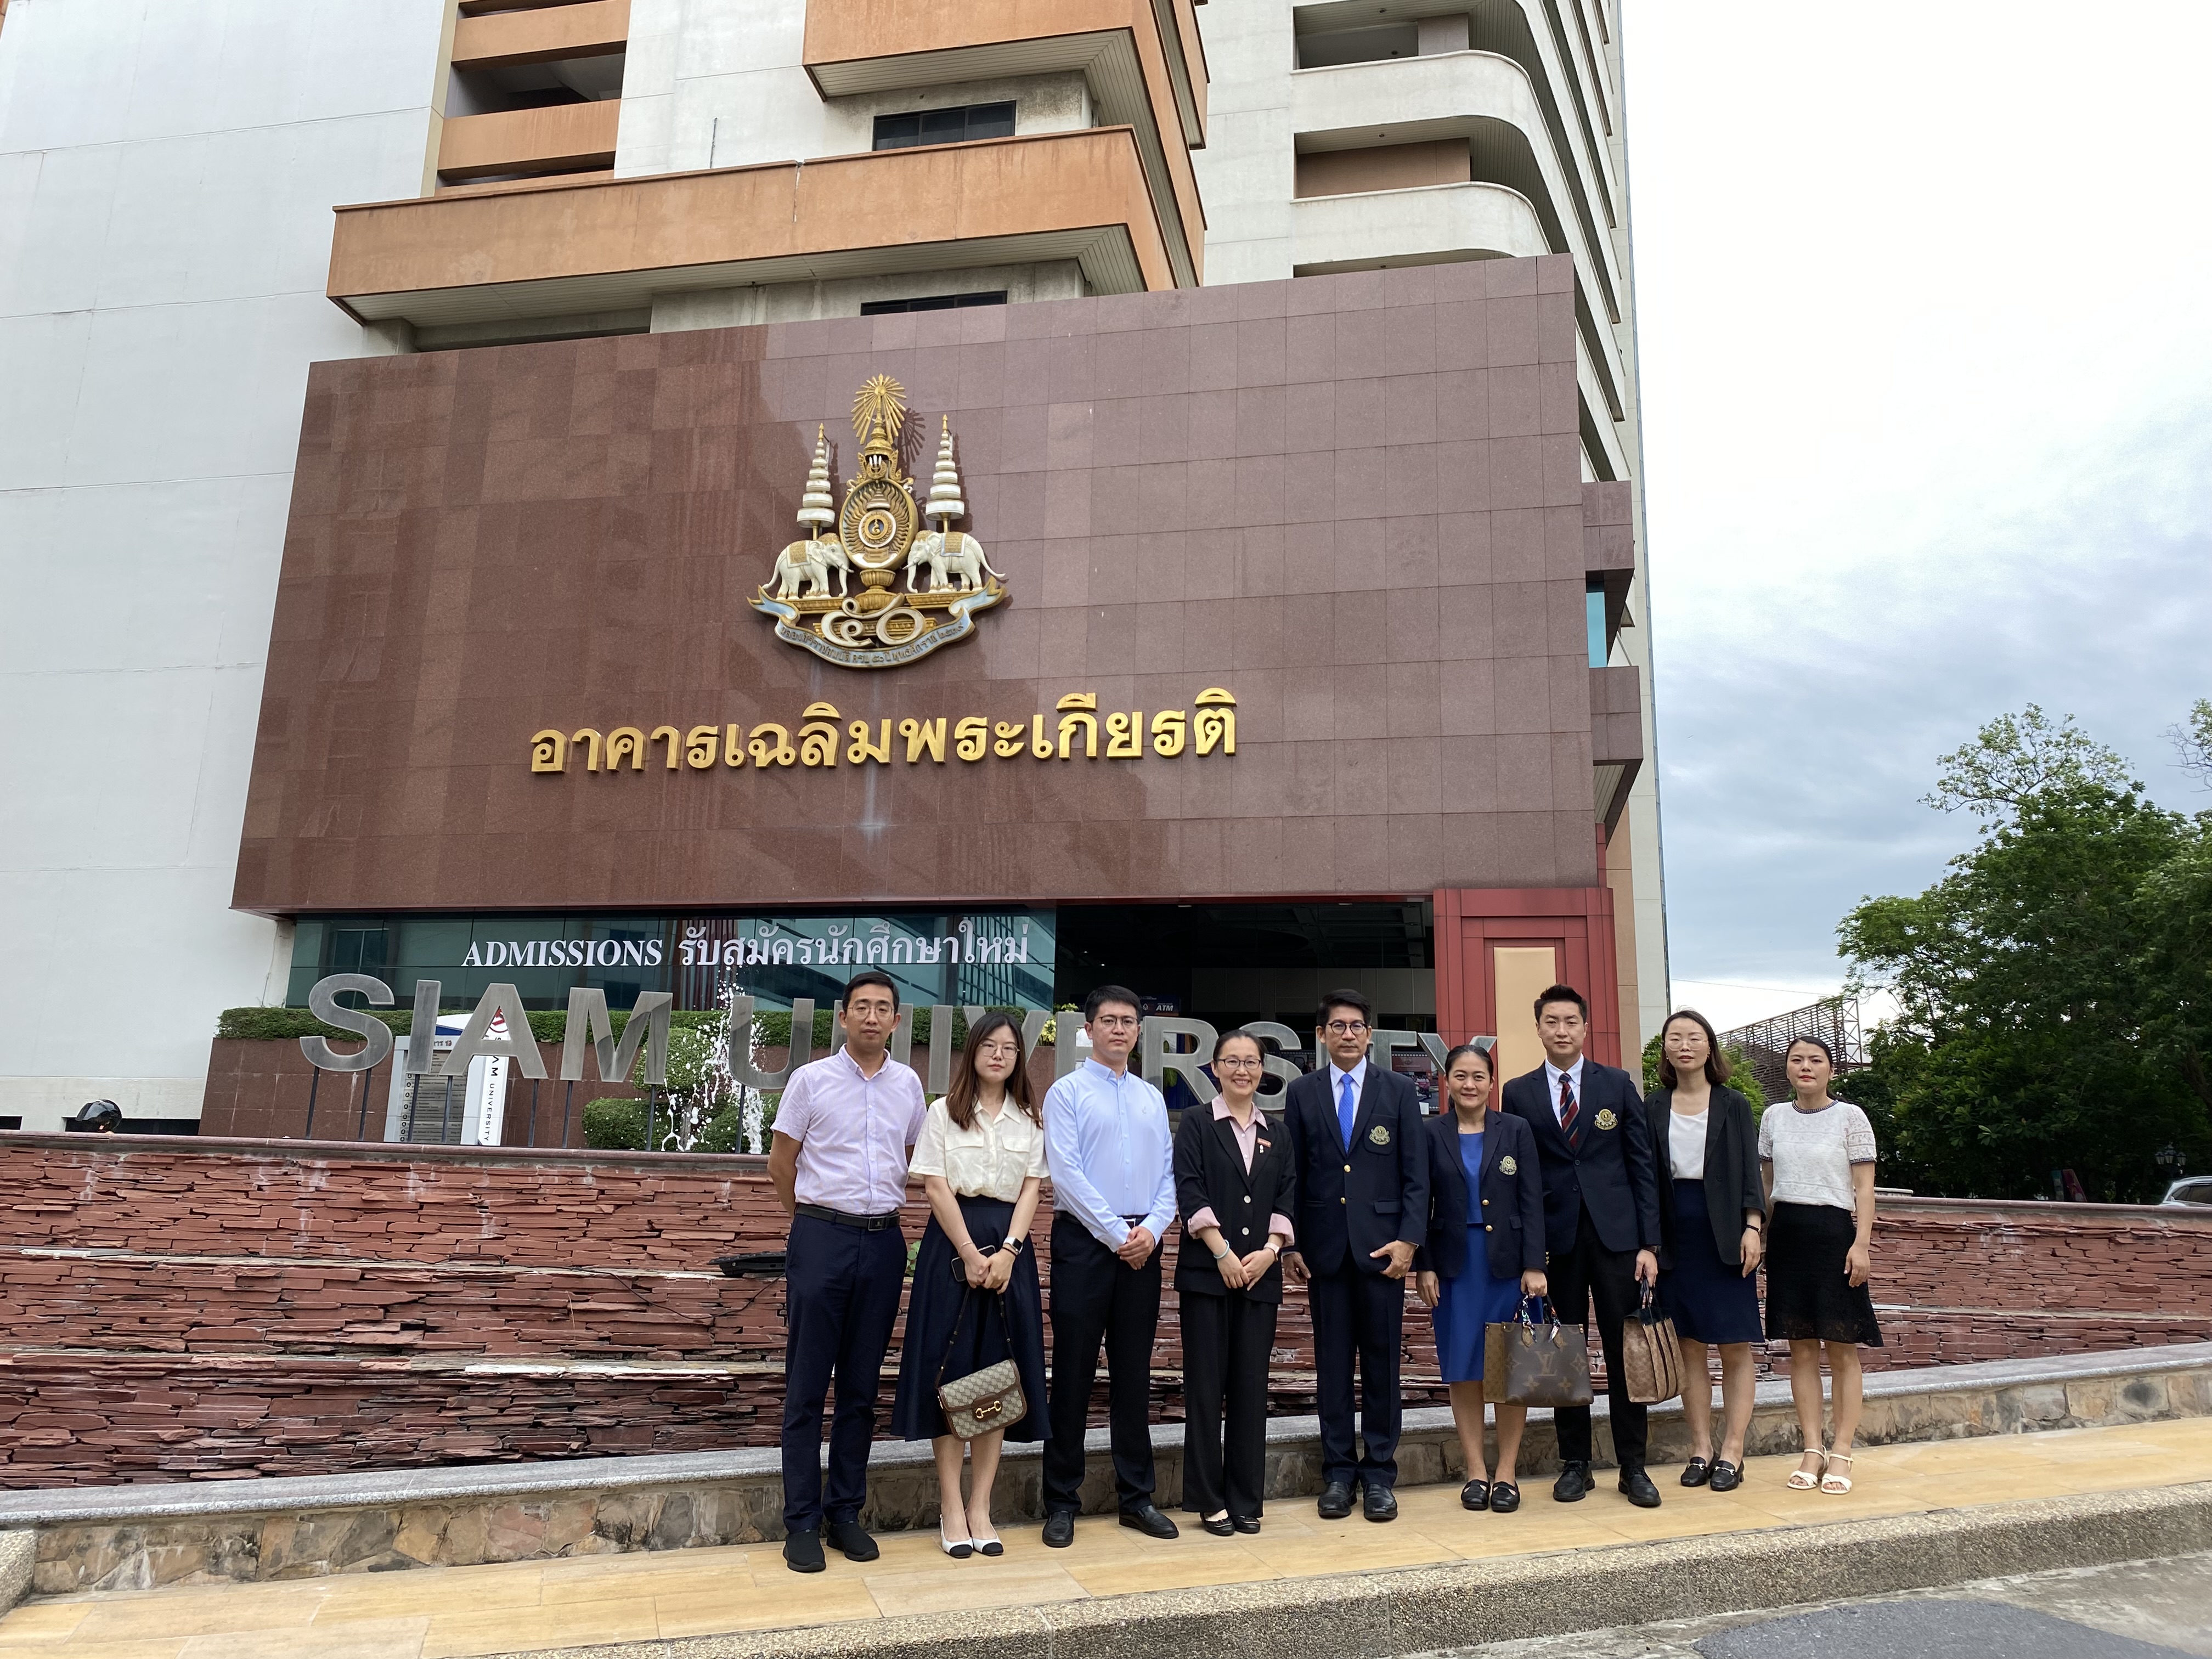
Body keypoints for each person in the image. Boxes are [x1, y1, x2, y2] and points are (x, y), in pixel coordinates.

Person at [765, 970, 928, 1573]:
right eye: (861, 1006)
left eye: (883, 1007)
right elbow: (781, 1164)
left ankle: (845, 1514)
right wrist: (811, 1224)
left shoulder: (908, 1085)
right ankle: (802, 1523)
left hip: (883, 1243)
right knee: (807, 1386)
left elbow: (913, 1156)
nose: (871, 1016)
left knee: (861, 1388)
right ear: (843, 1016)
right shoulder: (810, 1081)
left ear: (896, 1020)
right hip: (821, 1237)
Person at [893, 1012, 1049, 1558]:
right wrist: (968, 1252)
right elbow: (935, 1186)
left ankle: (981, 1505)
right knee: (951, 1371)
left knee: (997, 1377)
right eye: (990, 1045)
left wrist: (1008, 1252)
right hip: (951, 1249)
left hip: (1009, 1252)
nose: (999, 1055)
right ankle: (951, 1506)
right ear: (973, 1052)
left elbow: (1032, 1189)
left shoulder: (1030, 1118)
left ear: (1018, 1057)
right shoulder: (943, 1113)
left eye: (1009, 1047)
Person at [1500, 984, 1663, 1508]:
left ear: (1585, 1027)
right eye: (1552, 1022)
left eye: (1571, 1021)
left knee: (1625, 1352)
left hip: (1617, 1240)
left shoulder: (1616, 1084)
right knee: (1563, 1353)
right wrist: (1530, 1255)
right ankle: (1575, 1464)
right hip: (1556, 1243)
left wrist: (1649, 1243)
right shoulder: (1518, 1092)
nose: (1562, 1030)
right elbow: (1522, 1179)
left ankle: (1633, 1466)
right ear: (1539, 1028)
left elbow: (1641, 1165)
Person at [1279, 989, 1429, 1522]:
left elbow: (1416, 1175)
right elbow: (1294, 1174)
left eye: (1357, 1026)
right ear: (1321, 1035)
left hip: (1383, 1252)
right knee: (1334, 1368)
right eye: (1338, 1026)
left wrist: (1409, 1241)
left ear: (1370, 1034)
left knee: (1383, 1367)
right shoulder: (1303, 1092)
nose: (1348, 1034)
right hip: (1325, 1253)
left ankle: (1380, 1475)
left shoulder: (1398, 1090)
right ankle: (1339, 1474)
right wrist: (1292, 1242)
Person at [1039, 985, 1179, 1547]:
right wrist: (1120, 1234)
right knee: (1072, 1374)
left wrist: (1152, 1230)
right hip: (1085, 1245)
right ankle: (1061, 1501)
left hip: (1144, 1245)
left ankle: (1136, 1498)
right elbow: (1067, 1175)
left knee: (1133, 1375)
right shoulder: (1066, 1093)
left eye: (1128, 1021)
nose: (1119, 1029)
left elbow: (1168, 1175)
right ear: (1089, 1029)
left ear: (1138, 1031)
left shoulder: (1151, 1098)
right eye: (1109, 1021)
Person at [1173, 1028, 1297, 1535]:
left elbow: (1286, 1196)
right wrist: (1222, 1252)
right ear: (1215, 1068)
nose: (1242, 1070)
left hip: (1260, 1277)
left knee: (1250, 1389)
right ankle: (1209, 1500)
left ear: (1263, 1070)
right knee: (1206, 1389)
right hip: (1207, 1276)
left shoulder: (1278, 1133)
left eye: (1251, 1062)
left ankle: (1246, 1498)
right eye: (1232, 1061)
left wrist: (1271, 1251)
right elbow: (1190, 1190)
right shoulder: (1197, 1123)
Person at [1414, 1043, 1546, 1513]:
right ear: (1446, 1081)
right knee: (1464, 1368)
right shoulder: (1430, 1133)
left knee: (1510, 1369)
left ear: (1492, 1082)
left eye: (1478, 1076)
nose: (1469, 1085)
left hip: (1508, 1267)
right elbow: (1420, 1201)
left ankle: (1506, 1473)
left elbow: (1532, 1199)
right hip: (1454, 1267)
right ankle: (1475, 1471)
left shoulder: (1516, 1130)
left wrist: (1535, 1264)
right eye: (1460, 1076)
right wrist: (1425, 1264)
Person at [1643, 1009, 1765, 1493]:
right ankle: (1701, 1448)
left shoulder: (1733, 1103)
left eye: (1694, 1037)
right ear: (1665, 1049)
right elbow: (1645, 1177)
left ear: (1710, 1046)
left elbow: (1750, 1169)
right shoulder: (1653, 1105)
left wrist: (1753, 1226)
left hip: (1727, 1233)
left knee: (1733, 1345)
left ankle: (1733, 1450)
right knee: (1688, 1346)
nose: (1685, 1046)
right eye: (1675, 1038)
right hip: (1675, 1235)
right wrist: (1647, 1242)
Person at [1760, 1034, 1883, 1496]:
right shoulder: (1773, 1117)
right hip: (1787, 1235)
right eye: (1797, 1060)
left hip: (1834, 1236)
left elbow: (1864, 1188)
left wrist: (1861, 1244)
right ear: (1787, 1069)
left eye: (1815, 1060)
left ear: (1831, 1069)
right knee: (1802, 1349)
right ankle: (1812, 1449)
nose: (1806, 1067)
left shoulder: (1851, 1117)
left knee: (1842, 1347)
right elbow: (1767, 1183)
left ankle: (1843, 1450)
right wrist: (1761, 1234)